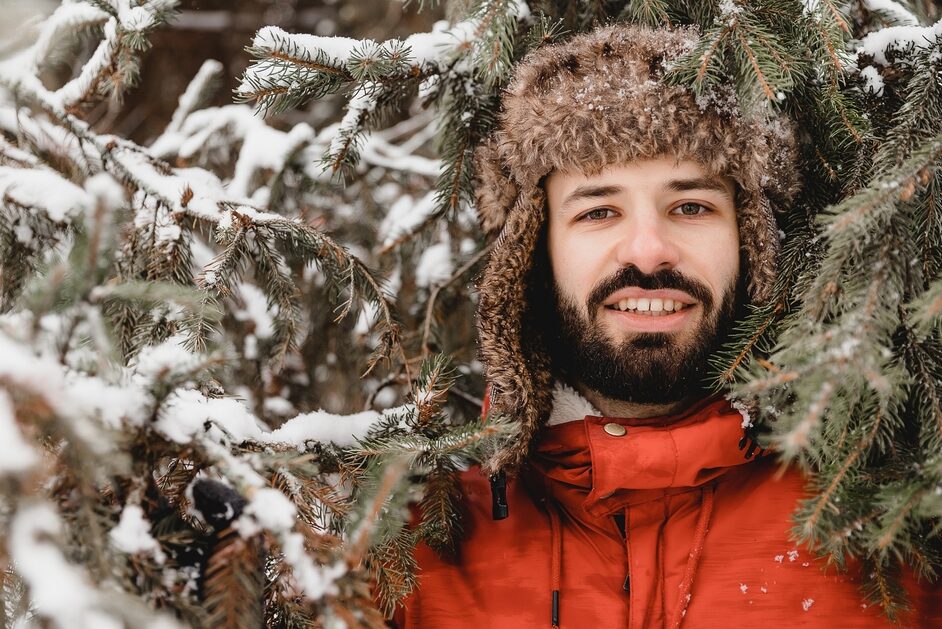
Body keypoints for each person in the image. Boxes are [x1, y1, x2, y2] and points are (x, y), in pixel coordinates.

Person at [391, 24, 940, 628]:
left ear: (752, 242)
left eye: (691, 206)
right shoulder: (411, 552)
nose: (649, 253)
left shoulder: (897, 533)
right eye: (599, 211)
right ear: (533, 253)